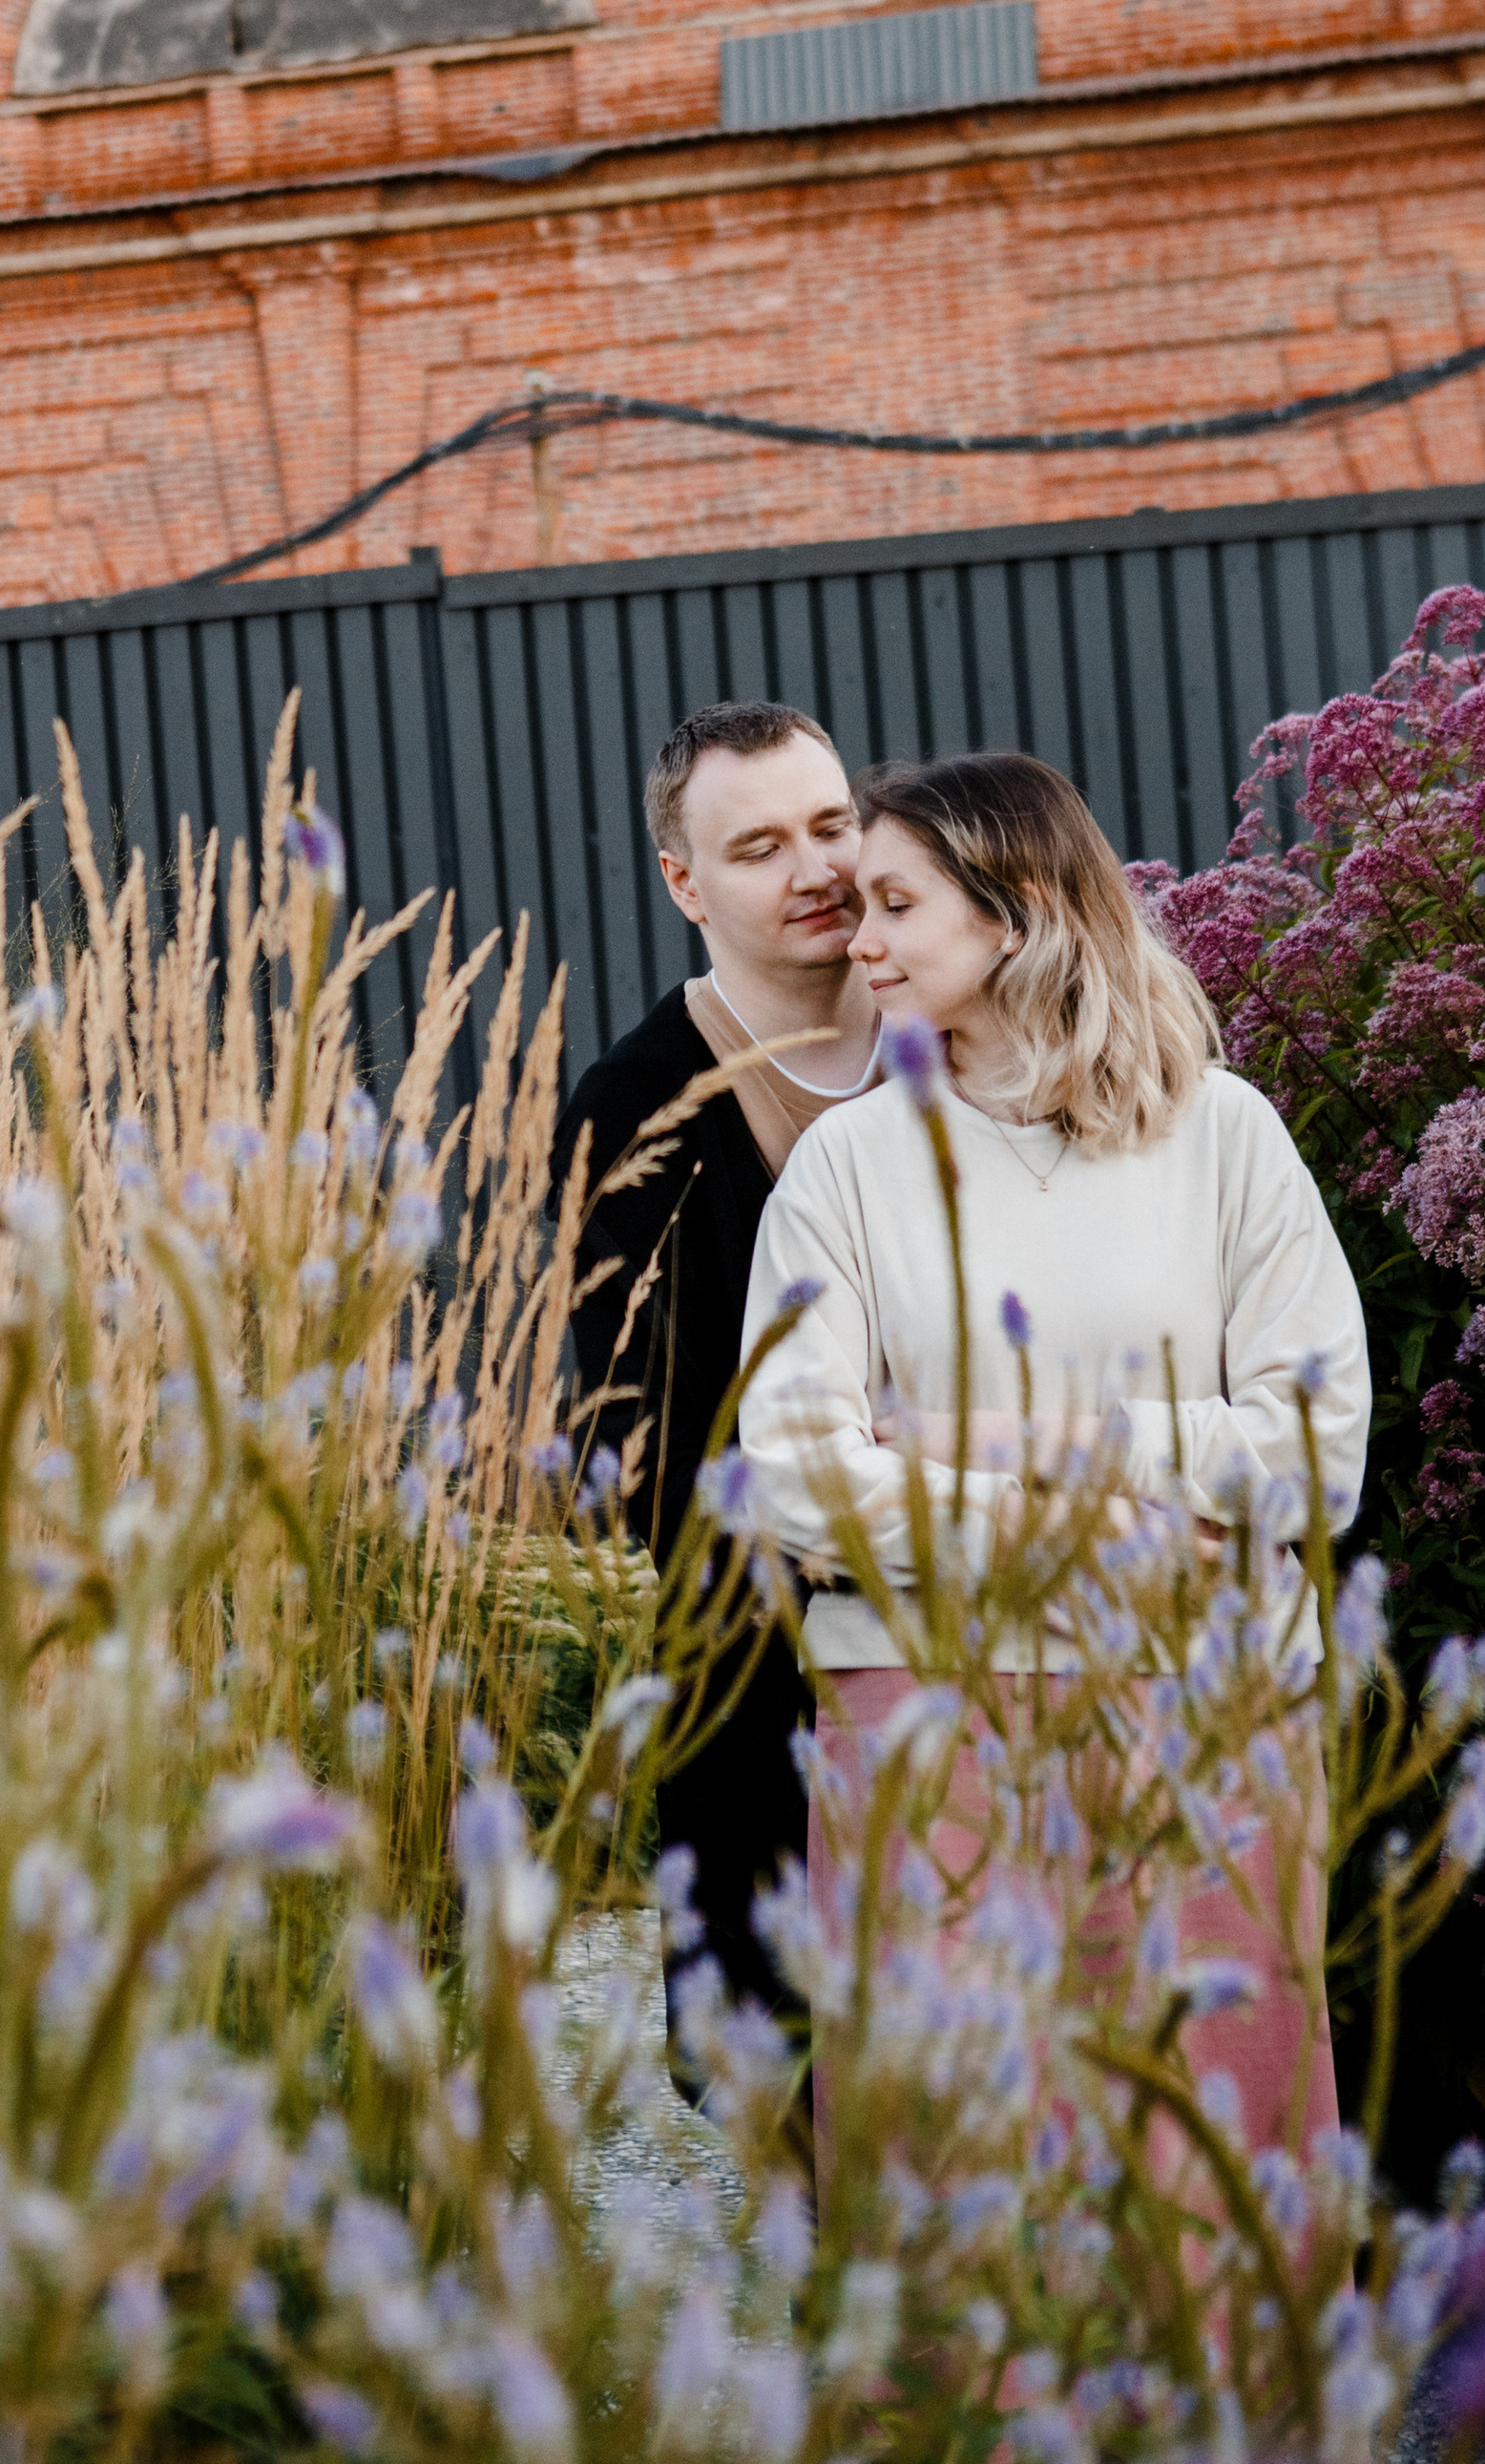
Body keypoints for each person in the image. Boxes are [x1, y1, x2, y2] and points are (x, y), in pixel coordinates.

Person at [738, 748, 1372, 2149]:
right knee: (957, 2155)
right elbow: (792, 1471)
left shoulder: (1226, 1138)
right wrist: (1106, 1527)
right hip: (923, 1708)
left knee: (1205, 2143)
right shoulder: (847, 1166)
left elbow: (1315, 1449)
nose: (864, 937)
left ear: (1013, 911)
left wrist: (1016, 1437)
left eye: (897, 904)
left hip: (1205, 1703)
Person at [554, 699, 881, 2017]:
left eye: (833, 825)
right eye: (759, 849)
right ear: (685, 881)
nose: (816, 871)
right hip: (774, 1665)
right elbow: (650, 1444)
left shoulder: (977, 1034)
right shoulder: (636, 1108)